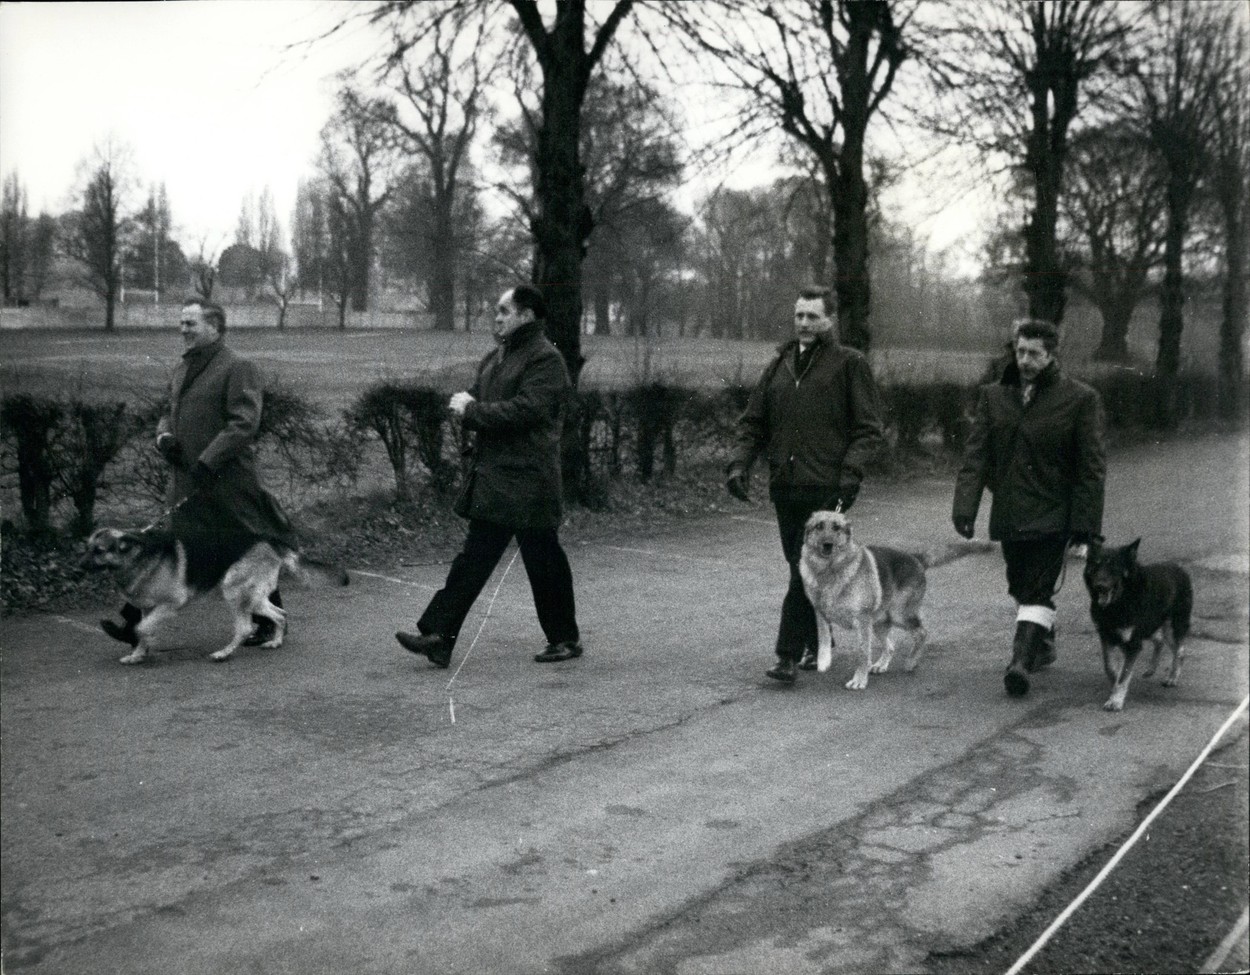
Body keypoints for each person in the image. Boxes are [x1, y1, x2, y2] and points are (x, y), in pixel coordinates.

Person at [396, 284, 583, 668]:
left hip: (529, 481)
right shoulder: (498, 357)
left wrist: (473, 411)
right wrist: (464, 404)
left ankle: (563, 639)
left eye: (503, 310)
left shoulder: (546, 360)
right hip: (499, 478)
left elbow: (527, 410)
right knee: (475, 560)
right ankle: (439, 637)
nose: (496, 317)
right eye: (496, 311)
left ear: (527, 315)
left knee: (542, 560)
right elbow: (481, 397)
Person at [100, 299, 299, 648]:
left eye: (190, 324)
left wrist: (209, 460)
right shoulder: (183, 368)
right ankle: (133, 622)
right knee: (170, 549)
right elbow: (167, 412)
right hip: (187, 482)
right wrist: (163, 437)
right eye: (181, 323)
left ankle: (268, 621)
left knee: (247, 548)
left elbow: (244, 423)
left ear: (215, 327)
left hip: (227, 483)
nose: (183, 330)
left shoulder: (238, 367)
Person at [725, 286, 887, 684]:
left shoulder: (849, 363)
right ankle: (819, 640)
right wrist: (739, 465)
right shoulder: (780, 364)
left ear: (829, 320)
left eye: (813, 317)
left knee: (802, 572)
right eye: (799, 315)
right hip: (786, 486)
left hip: (825, 489)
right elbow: (753, 422)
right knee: (800, 569)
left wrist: (849, 474)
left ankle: (785, 656)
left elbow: (869, 429)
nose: (804, 324)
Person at [952, 317, 1106, 697]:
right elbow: (976, 456)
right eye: (1019, 351)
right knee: (1019, 584)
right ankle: (1043, 637)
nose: (1024, 360)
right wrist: (965, 508)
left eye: (1033, 353)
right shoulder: (993, 396)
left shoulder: (1080, 399)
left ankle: (1019, 662)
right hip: (1010, 510)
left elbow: (1092, 467)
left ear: (1051, 355)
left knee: (1037, 587)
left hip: (1055, 513)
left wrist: (1085, 527)